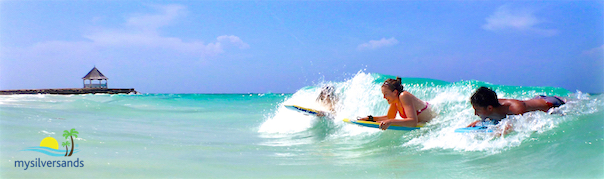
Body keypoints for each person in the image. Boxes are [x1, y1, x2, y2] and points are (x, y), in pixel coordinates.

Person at [467, 86, 566, 129]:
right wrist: (478, 123)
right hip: (537, 99)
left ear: (489, 108)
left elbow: (522, 125)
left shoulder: (515, 108)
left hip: (552, 103)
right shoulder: (489, 105)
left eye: (477, 110)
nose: (476, 114)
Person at [358, 77, 434, 130]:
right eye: (383, 94)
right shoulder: (395, 101)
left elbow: (412, 122)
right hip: (425, 124)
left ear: (395, 92)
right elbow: (389, 117)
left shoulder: (404, 96)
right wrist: (370, 119)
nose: (384, 97)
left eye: (386, 94)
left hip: (434, 122)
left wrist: (390, 122)